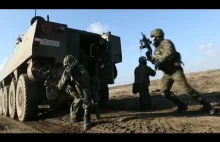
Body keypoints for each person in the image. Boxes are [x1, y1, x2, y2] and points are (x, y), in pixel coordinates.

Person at [146, 28, 216, 114]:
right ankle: (181, 106)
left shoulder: (166, 42)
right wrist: (150, 58)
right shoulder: (157, 49)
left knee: (187, 89)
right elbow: (157, 62)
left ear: (158, 36)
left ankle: (207, 106)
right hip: (167, 73)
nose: (152, 39)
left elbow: (169, 52)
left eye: (153, 37)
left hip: (175, 71)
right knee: (164, 92)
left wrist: (159, 61)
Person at [57, 55, 93, 130]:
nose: (68, 67)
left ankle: (86, 118)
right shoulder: (66, 72)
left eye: (68, 65)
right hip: (74, 91)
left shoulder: (80, 68)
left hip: (83, 89)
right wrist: (66, 77)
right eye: (66, 66)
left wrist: (76, 77)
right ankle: (74, 117)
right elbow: (60, 87)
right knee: (78, 99)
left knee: (85, 95)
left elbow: (86, 81)